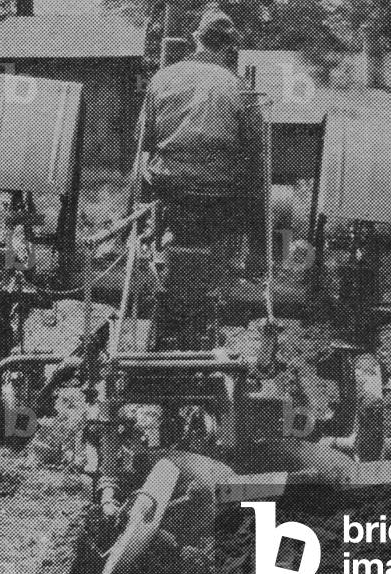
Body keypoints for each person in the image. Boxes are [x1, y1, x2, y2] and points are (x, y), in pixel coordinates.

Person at [136, 8, 266, 351]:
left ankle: (138, 242)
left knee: (143, 165)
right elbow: (256, 153)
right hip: (217, 199)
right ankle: (257, 264)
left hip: (170, 192)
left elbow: (142, 140)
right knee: (259, 182)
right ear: (228, 49)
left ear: (196, 40)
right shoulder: (239, 89)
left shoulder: (162, 80)